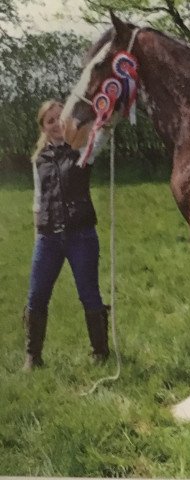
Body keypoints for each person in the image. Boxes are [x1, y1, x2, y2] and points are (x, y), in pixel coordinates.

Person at [22, 99, 109, 371]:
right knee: (37, 296)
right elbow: (38, 200)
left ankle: (100, 353)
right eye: (50, 121)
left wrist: (103, 108)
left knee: (89, 294)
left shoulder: (83, 150)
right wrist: (39, 235)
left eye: (61, 118)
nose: (57, 124)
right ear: (44, 128)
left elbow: (103, 132)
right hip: (47, 238)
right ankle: (33, 358)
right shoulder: (39, 160)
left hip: (81, 235)